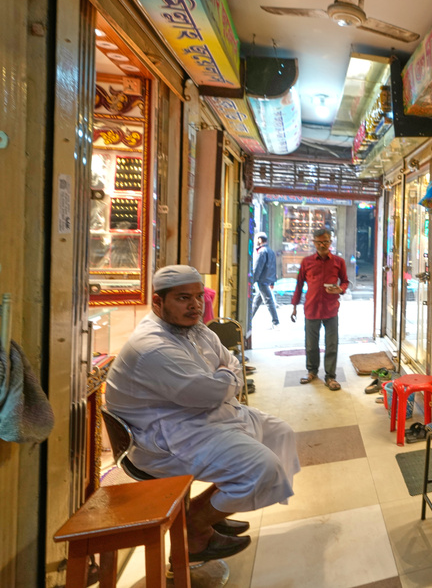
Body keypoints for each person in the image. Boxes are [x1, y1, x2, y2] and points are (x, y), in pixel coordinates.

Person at [105, 265, 300, 562]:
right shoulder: (153, 347)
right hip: (164, 439)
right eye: (183, 298)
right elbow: (207, 392)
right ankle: (195, 527)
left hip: (197, 419)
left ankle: (204, 510)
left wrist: (223, 380)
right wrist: (225, 381)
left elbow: (231, 363)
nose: (195, 305)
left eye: (198, 297)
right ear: (157, 302)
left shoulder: (196, 329)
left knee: (280, 433)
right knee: (263, 468)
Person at [291, 228, 349, 391]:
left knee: (331, 344)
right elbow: (299, 284)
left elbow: (345, 281)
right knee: (311, 344)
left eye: (325, 241)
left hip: (331, 309)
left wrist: (340, 289)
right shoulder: (307, 262)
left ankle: (330, 377)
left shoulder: (339, 261)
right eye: (318, 242)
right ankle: (312, 371)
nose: (322, 245)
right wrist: (294, 306)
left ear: (330, 242)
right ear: (314, 243)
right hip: (311, 308)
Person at [251, 232, 280, 329]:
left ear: (260, 239)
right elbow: (273, 267)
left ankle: (276, 322)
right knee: (256, 301)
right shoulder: (270, 251)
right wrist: (272, 282)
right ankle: (249, 319)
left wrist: (252, 280)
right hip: (267, 279)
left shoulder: (262, 251)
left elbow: (257, 267)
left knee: (269, 301)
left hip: (262, 280)